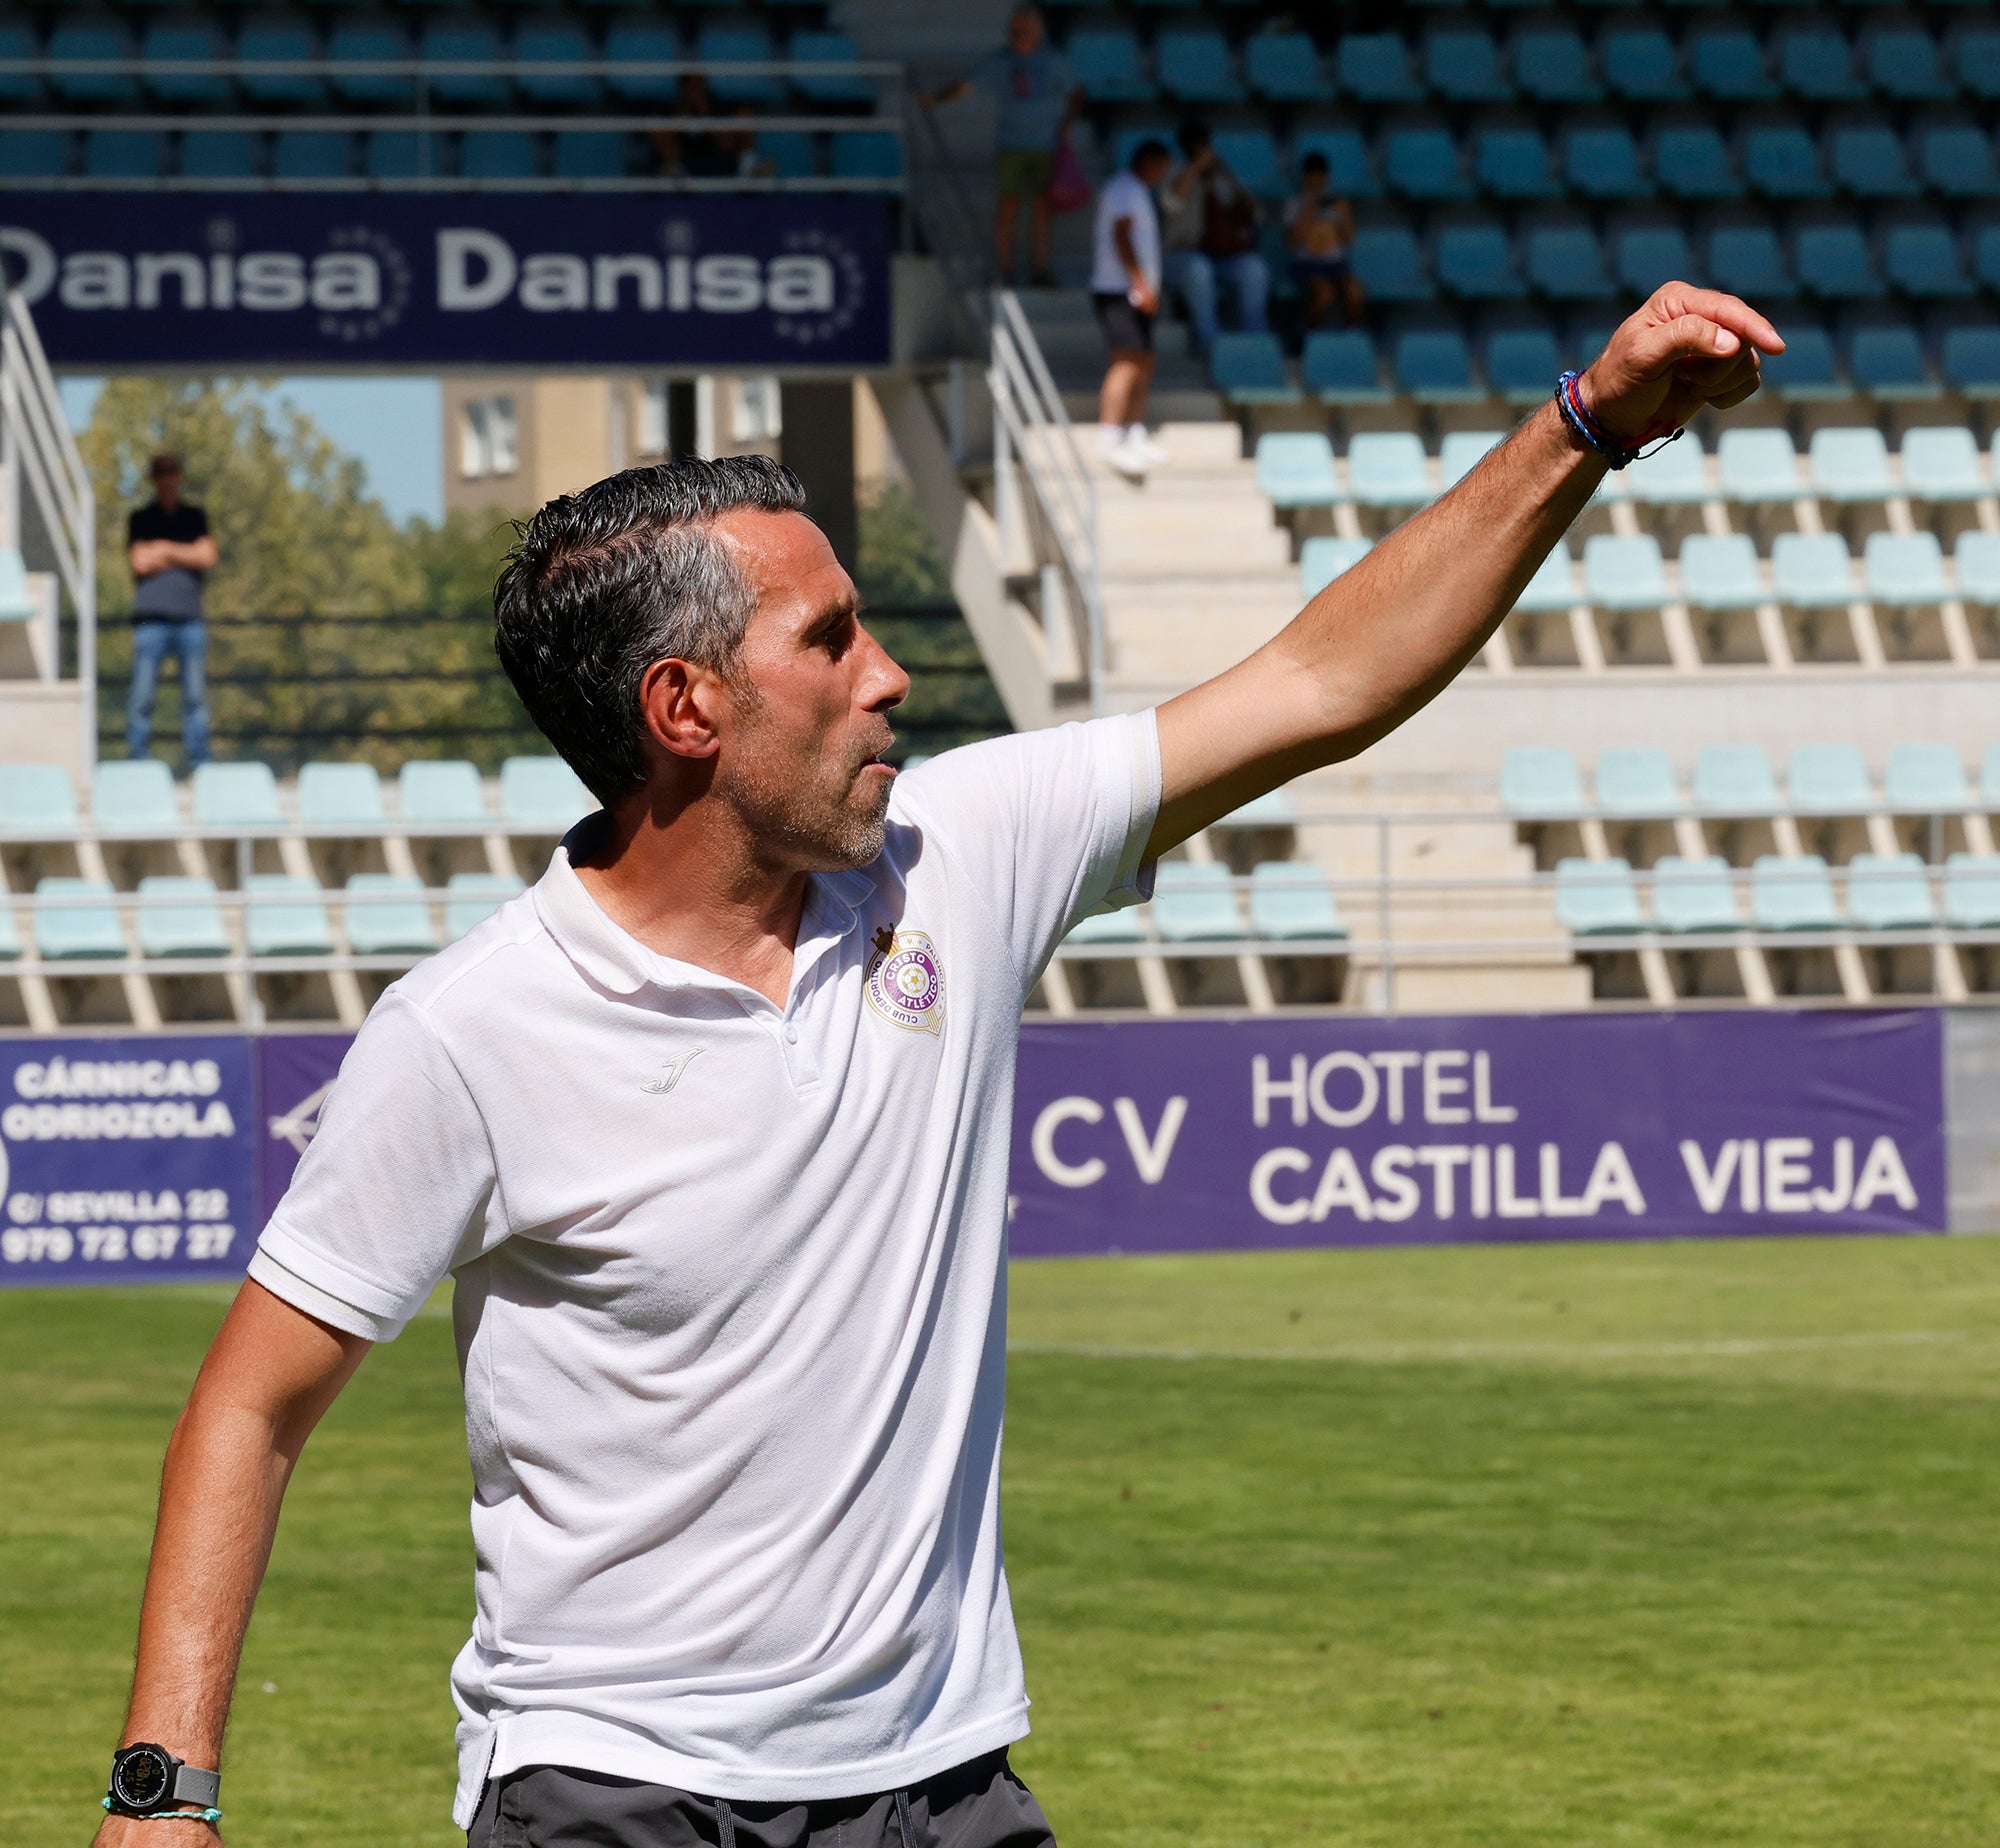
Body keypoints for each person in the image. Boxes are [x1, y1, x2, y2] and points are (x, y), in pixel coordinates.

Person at [92, 285, 1781, 1848]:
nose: (889, 674)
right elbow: (252, 1401)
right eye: (827, 641)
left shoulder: (955, 855)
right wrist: (164, 1793)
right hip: (617, 1792)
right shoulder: (470, 1031)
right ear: (686, 707)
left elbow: (1325, 680)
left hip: (940, 1781)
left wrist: (1585, 426)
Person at [923, 7, 1082, 287]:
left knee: (1042, 208)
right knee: (1008, 207)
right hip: (1012, 144)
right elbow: (965, 85)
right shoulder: (1000, 61)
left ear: (1037, 33)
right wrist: (936, 99)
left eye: (1023, 32)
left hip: (1046, 145)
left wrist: (1066, 125)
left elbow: (1076, 93)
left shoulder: (1053, 60)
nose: (1016, 37)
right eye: (1013, 32)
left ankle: (1040, 269)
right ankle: (1003, 270)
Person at [125, 452, 217, 767]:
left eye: (172, 472)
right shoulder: (141, 518)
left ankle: (200, 760)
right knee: (143, 695)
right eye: (161, 473)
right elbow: (139, 560)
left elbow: (206, 556)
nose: (167, 479)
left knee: (195, 697)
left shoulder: (194, 517)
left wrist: (163, 549)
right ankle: (137, 758)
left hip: (190, 619)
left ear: (179, 476)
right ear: (153, 479)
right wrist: (183, 552)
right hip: (150, 622)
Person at [1091, 138, 1172, 479]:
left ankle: (1133, 430)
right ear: (1149, 161)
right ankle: (1109, 435)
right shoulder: (1124, 189)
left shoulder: (1138, 190)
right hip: (1117, 290)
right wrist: (1138, 282)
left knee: (1144, 361)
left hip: (1136, 292)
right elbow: (1121, 236)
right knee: (1125, 363)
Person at [1161, 121, 1270, 359]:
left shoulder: (1222, 176)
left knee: (1255, 269)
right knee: (1199, 269)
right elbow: (1171, 204)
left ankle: (1256, 339)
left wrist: (1225, 175)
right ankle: (1209, 340)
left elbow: (1256, 214)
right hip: (1180, 255)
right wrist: (1194, 169)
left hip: (1221, 255)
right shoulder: (1172, 172)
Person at [1285, 151, 1364, 329]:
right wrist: (1309, 210)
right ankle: (1308, 340)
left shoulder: (1337, 202)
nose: (1316, 183)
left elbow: (1349, 239)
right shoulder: (1294, 203)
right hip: (1306, 264)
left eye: (1320, 178)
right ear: (1305, 178)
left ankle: (1348, 337)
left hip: (1335, 264)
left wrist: (1343, 213)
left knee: (1355, 292)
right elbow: (1293, 241)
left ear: (1326, 178)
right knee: (1324, 295)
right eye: (1312, 178)